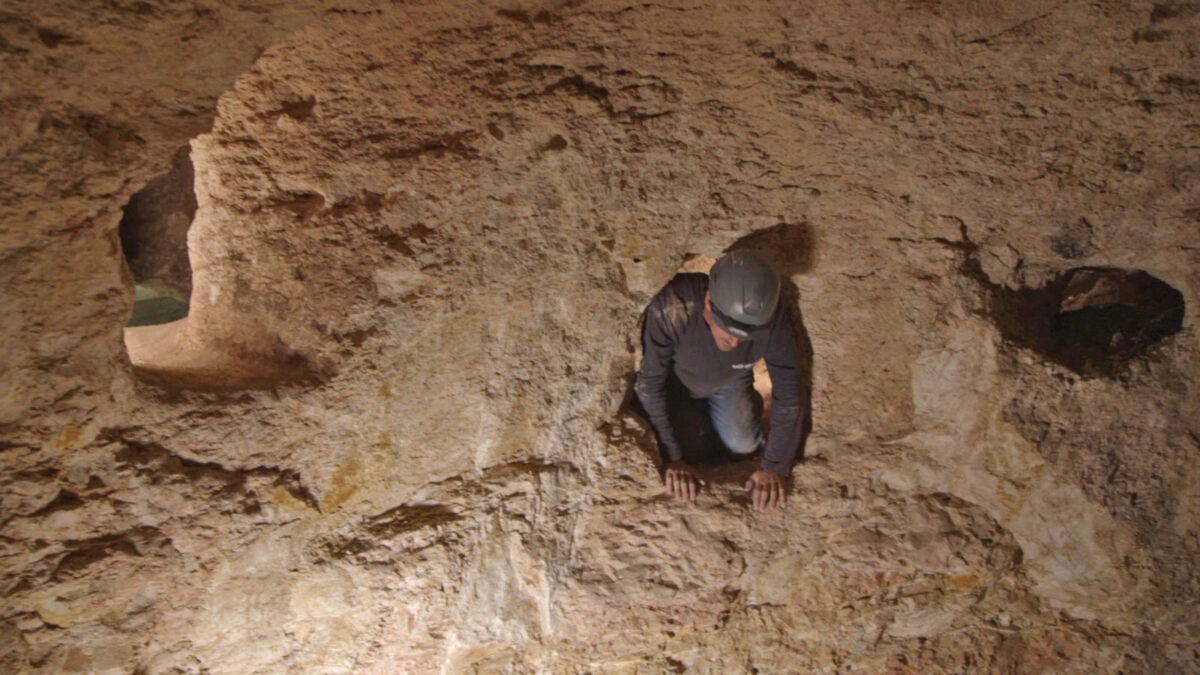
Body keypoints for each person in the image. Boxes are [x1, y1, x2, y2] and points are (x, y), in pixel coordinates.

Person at [634, 251, 809, 510]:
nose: (736, 341)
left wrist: (774, 466)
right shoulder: (676, 306)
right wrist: (672, 457)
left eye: (747, 334)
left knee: (743, 445)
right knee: (690, 451)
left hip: (730, 380)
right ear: (708, 301)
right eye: (728, 328)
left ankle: (741, 416)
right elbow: (649, 384)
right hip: (678, 385)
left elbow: (789, 391)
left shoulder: (771, 318)